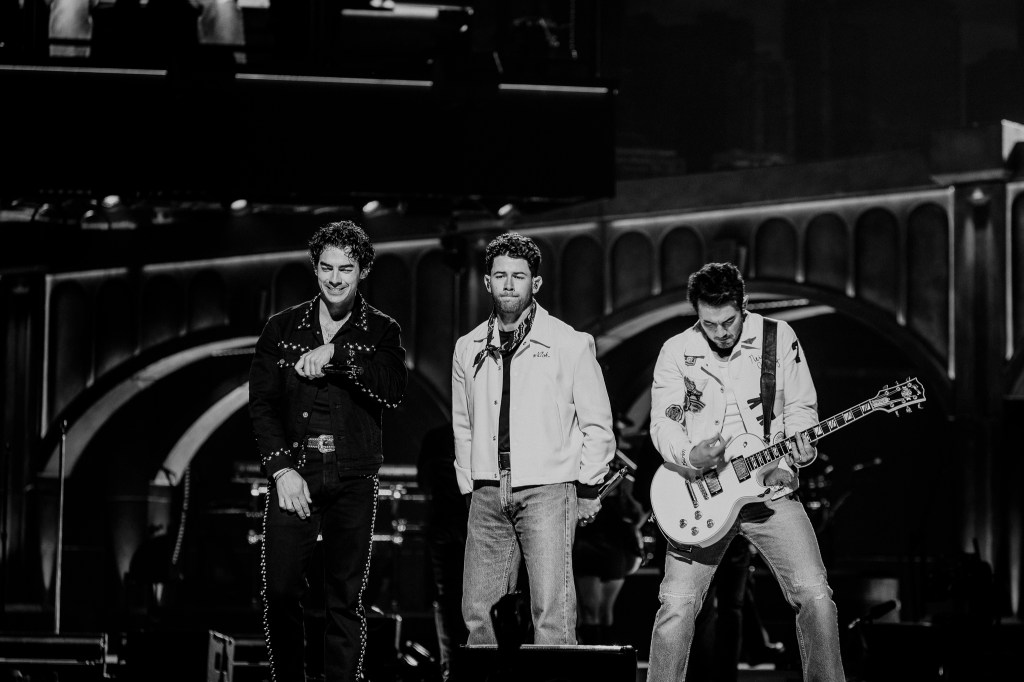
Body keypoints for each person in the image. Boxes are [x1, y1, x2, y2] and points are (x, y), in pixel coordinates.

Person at [646, 262, 845, 682]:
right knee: (677, 604)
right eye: (709, 323)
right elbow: (663, 423)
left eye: (729, 321)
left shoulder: (778, 336)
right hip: (702, 490)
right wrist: (690, 453)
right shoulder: (676, 351)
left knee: (816, 596)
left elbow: (800, 410)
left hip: (769, 494)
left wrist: (794, 457)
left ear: (744, 304)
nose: (720, 332)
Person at [249, 220, 408, 682]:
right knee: (279, 592)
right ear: (314, 269)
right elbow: (262, 406)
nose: (335, 278)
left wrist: (340, 356)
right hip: (296, 473)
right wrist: (281, 471)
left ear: (363, 271)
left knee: (344, 596)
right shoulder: (281, 328)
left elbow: (394, 390)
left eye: (346, 268)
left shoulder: (381, 330)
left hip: (354, 475)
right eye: (326, 268)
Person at [451, 231, 616, 645]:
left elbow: (598, 424)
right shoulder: (467, 346)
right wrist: (470, 483)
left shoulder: (569, 343)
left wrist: (588, 485)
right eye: (500, 275)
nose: (509, 284)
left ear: (535, 284)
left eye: (518, 276)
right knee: (478, 615)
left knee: (552, 616)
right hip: (487, 490)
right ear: (487, 281)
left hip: (547, 490)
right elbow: (463, 423)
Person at [416, 424, 469, 679]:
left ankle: (450, 666)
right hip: (474, 523)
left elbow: (423, 482)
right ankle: (480, 662)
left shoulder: (435, 436)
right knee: (481, 594)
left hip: (442, 523)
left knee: (446, 599)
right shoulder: (481, 431)